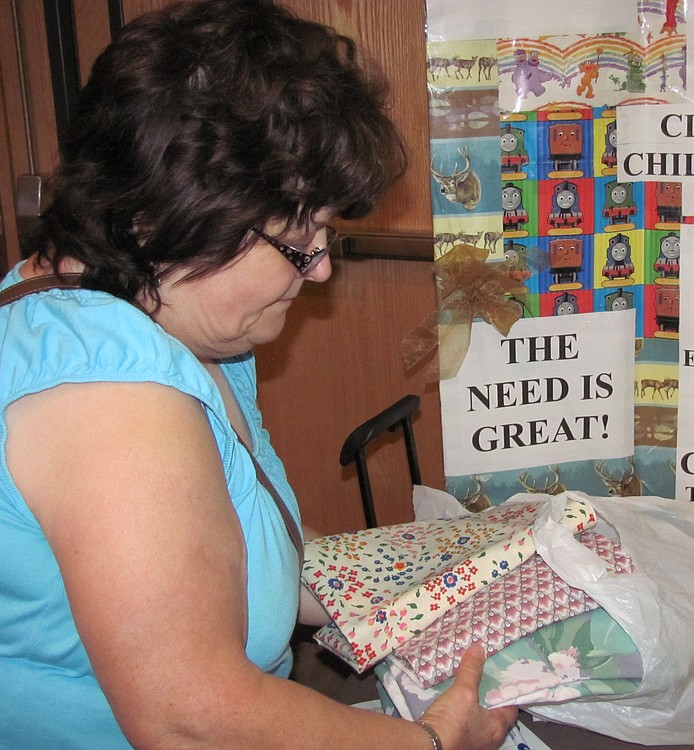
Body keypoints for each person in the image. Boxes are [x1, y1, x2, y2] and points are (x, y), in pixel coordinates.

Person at [0, 1, 517, 748]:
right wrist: (433, 744)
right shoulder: (107, 397)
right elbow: (189, 719)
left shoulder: (176, 324)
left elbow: (252, 553)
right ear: (163, 214)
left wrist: (442, 583)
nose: (321, 267)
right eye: (297, 240)